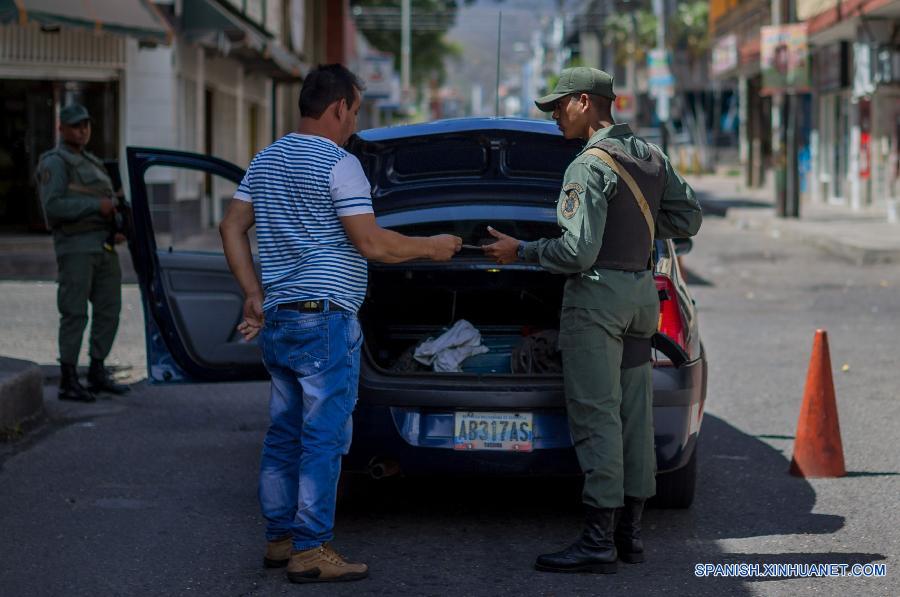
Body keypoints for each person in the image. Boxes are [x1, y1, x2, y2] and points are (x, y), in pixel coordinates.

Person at [219, 64, 461, 584]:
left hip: (281, 319)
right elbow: (371, 243)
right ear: (337, 108)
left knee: (284, 434)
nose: (354, 121)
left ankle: (280, 540)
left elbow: (231, 226)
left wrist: (253, 295)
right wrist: (433, 247)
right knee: (324, 436)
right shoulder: (339, 163)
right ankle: (311, 549)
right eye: (354, 110)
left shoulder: (266, 159)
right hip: (324, 321)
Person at [483, 67, 702, 574]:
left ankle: (597, 540)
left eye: (559, 105)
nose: (555, 115)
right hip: (641, 295)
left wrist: (523, 250)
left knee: (596, 416)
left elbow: (577, 253)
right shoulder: (649, 155)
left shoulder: (587, 166)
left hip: (598, 302)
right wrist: (636, 229)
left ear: (586, 102)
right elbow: (687, 218)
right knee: (635, 414)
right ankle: (631, 534)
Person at [36, 102, 129, 402]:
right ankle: (68, 378)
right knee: (74, 313)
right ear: (61, 128)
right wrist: (96, 206)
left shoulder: (94, 162)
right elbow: (53, 206)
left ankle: (97, 372)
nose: (83, 130)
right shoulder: (55, 162)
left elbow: (109, 202)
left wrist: (116, 225)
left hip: (103, 246)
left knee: (109, 311)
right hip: (75, 247)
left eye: (86, 125)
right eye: (77, 125)